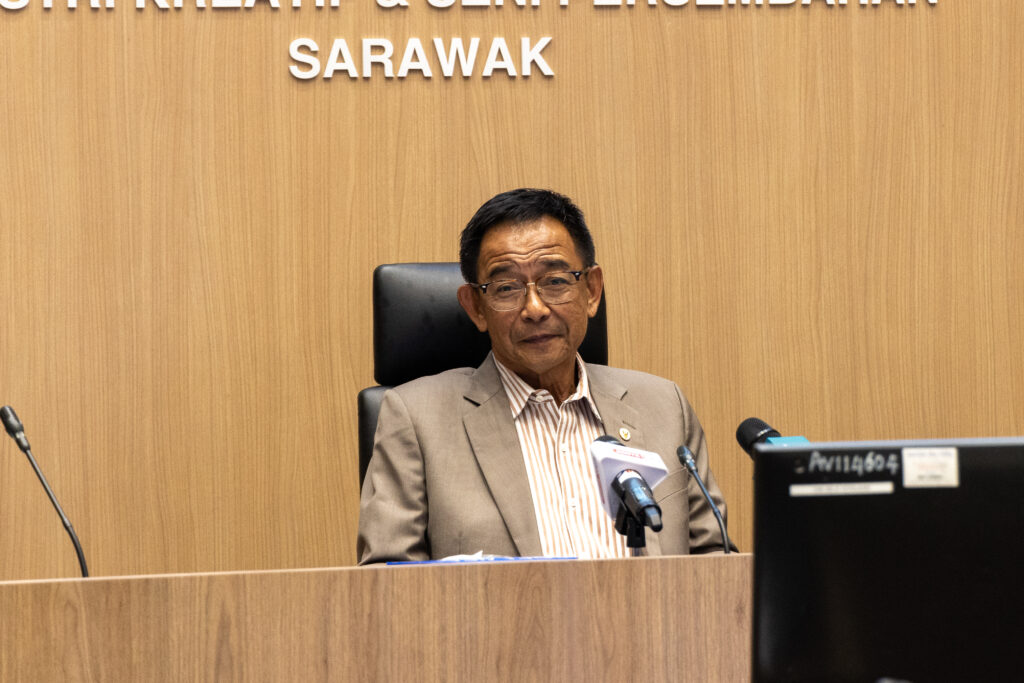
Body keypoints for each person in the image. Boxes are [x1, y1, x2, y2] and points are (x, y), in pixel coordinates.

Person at [357, 188, 731, 564]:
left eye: (555, 281)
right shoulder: (416, 420)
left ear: (592, 291)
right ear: (476, 308)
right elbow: (390, 584)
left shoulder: (664, 406)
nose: (534, 309)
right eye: (506, 288)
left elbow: (716, 566)